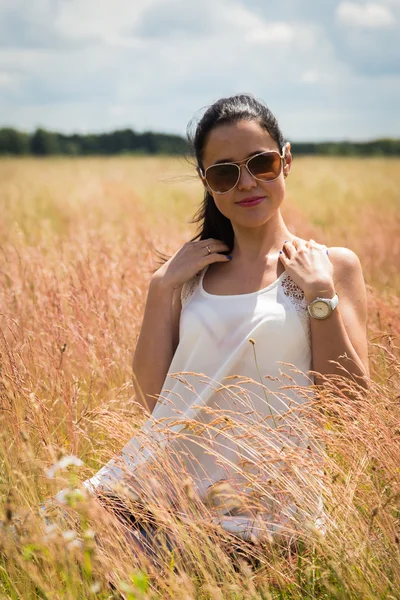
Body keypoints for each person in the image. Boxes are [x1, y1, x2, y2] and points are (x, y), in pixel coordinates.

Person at [53, 94, 370, 565]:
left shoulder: (330, 266)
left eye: (260, 163)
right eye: (225, 172)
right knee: (37, 541)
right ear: (208, 182)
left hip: (265, 514)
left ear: (286, 161)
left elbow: (350, 405)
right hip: (158, 490)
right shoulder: (190, 274)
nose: (246, 183)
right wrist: (160, 289)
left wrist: (321, 295)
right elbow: (148, 398)